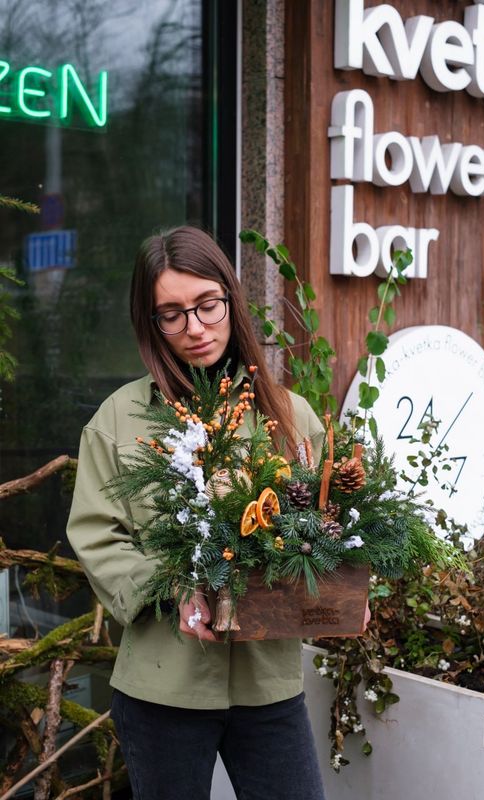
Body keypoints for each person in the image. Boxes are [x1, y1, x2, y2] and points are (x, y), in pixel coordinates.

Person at [66, 226, 329, 800]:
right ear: (151, 322)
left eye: (208, 305)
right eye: (172, 313)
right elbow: (98, 536)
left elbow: (324, 525)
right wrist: (168, 589)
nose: (195, 328)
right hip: (164, 686)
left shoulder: (290, 416)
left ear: (230, 300)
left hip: (267, 683)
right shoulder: (120, 419)